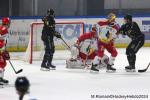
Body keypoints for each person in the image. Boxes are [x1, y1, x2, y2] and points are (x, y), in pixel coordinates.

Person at [0, 17, 11, 85]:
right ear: (7, 23)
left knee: (3, 63)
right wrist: (2, 50)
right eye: (9, 23)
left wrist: (4, 50)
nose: (9, 24)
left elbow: (3, 41)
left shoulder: (2, 28)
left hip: (1, 49)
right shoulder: (4, 30)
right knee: (1, 64)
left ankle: (1, 78)